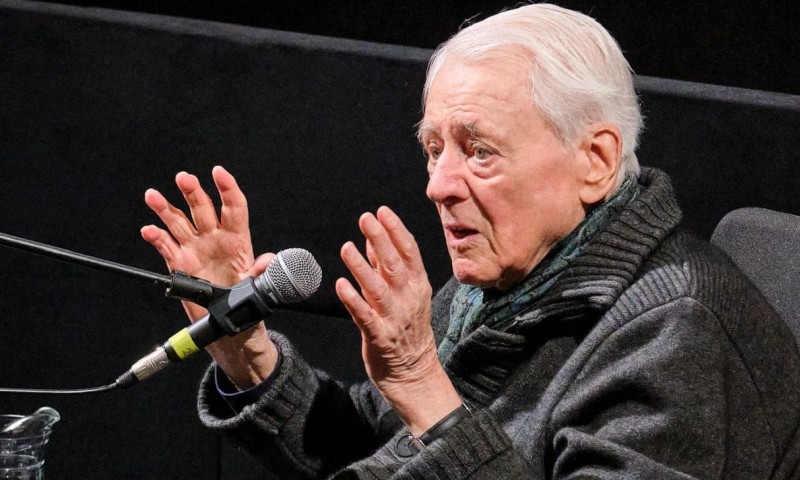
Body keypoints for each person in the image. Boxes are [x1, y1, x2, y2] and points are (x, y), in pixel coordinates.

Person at [140, 4, 800, 479]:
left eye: (479, 151)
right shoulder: (510, 277)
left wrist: (425, 387)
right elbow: (379, 447)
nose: (439, 185)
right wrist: (246, 356)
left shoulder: (675, 334)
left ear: (594, 160)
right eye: (434, 150)